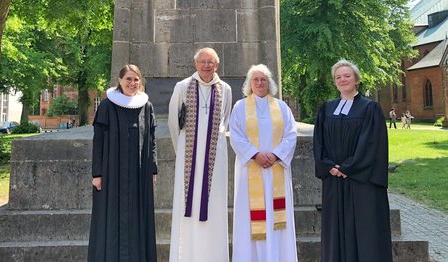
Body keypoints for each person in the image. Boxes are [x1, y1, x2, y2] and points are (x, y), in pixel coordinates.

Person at [313, 59, 393, 262]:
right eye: (338, 77)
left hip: (361, 181)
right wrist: (329, 166)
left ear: (356, 79)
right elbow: (318, 141)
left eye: (347, 76)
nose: (343, 80)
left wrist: (348, 167)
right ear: (334, 82)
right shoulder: (327, 108)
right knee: (336, 231)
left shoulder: (370, 108)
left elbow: (371, 144)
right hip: (334, 180)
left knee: (366, 230)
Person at [168, 47, 232, 262]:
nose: (207, 66)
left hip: (216, 158)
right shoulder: (182, 87)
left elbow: (225, 119)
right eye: (203, 62)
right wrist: (183, 152)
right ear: (195, 64)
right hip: (188, 158)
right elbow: (173, 122)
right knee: (188, 206)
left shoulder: (225, 88)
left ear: (217, 65)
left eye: (211, 62)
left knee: (214, 204)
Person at [88, 64, 158, 262]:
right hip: (112, 173)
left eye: (136, 79)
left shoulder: (146, 106)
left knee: (138, 217)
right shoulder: (107, 106)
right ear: (119, 80)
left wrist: (152, 170)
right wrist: (97, 174)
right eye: (128, 79)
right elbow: (99, 141)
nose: (132, 83)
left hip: (139, 173)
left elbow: (151, 141)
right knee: (110, 219)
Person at [229, 64, 298, 262]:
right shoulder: (240, 107)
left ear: (270, 83)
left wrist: (276, 155)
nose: (260, 83)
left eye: (263, 79)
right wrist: (255, 155)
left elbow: (291, 134)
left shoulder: (281, 107)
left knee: (278, 219)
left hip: (276, 169)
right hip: (251, 170)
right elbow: (236, 136)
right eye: (256, 80)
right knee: (250, 218)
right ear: (249, 84)